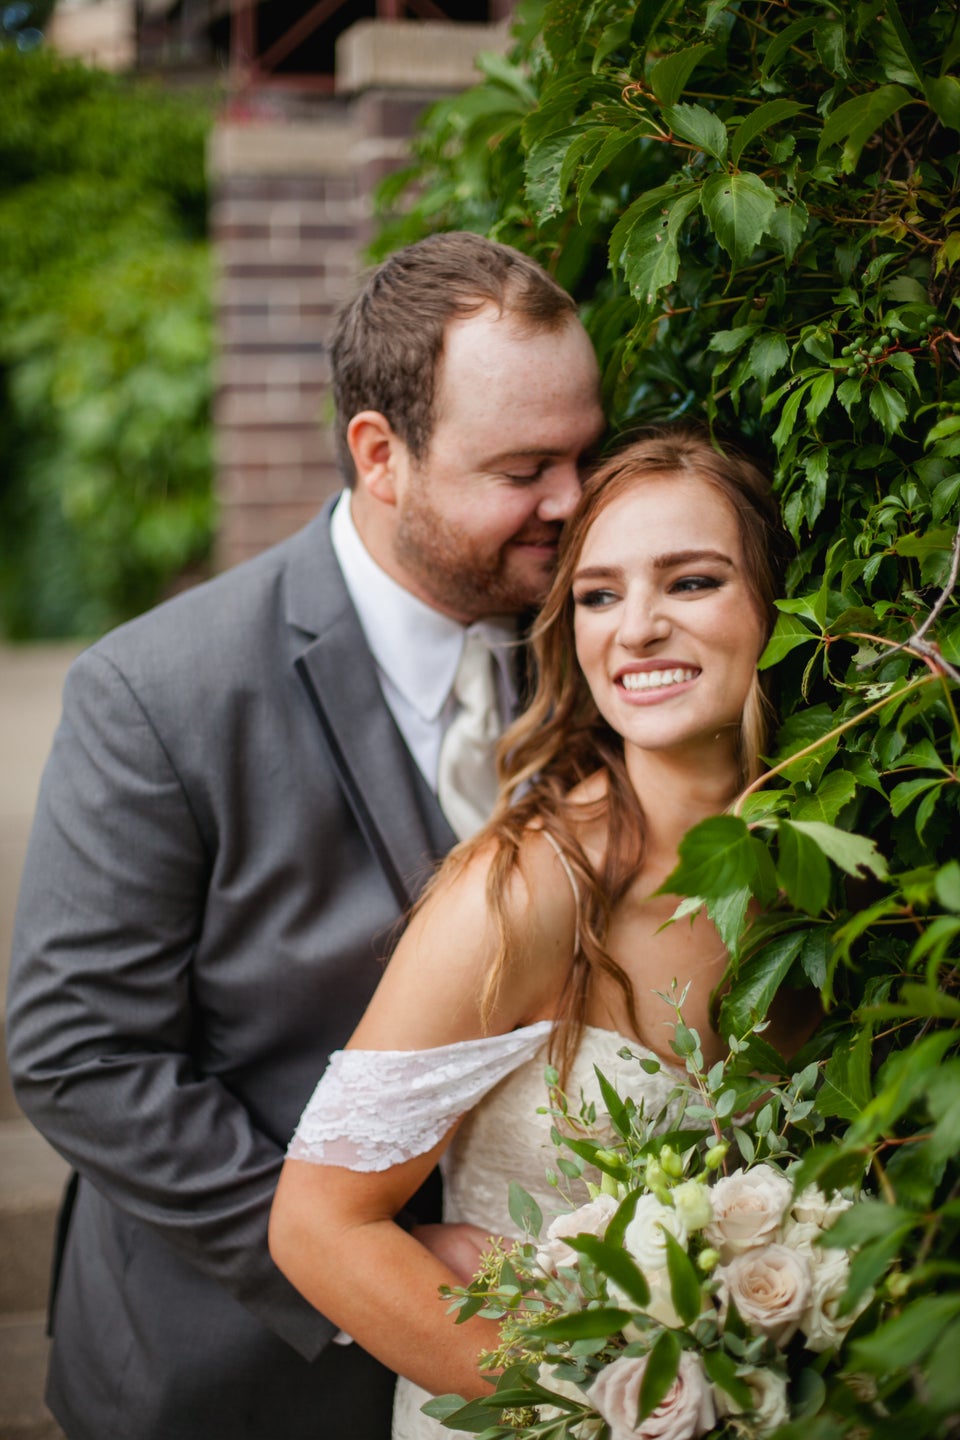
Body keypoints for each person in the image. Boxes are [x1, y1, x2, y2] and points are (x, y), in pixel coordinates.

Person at [5, 232, 605, 1440]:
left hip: (565, 1345)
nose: (577, 504)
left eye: (588, 451)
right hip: (240, 1374)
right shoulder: (159, 691)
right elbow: (80, 1054)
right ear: (381, 456)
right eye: (526, 467)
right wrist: (364, 1270)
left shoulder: (602, 645)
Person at [268, 426, 820, 1439]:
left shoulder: (843, 895)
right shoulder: (526, 890)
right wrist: (598, 1405)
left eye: (691, 582)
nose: (638, 627)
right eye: (600, 596)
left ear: (780, 607)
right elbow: (318, 1226)